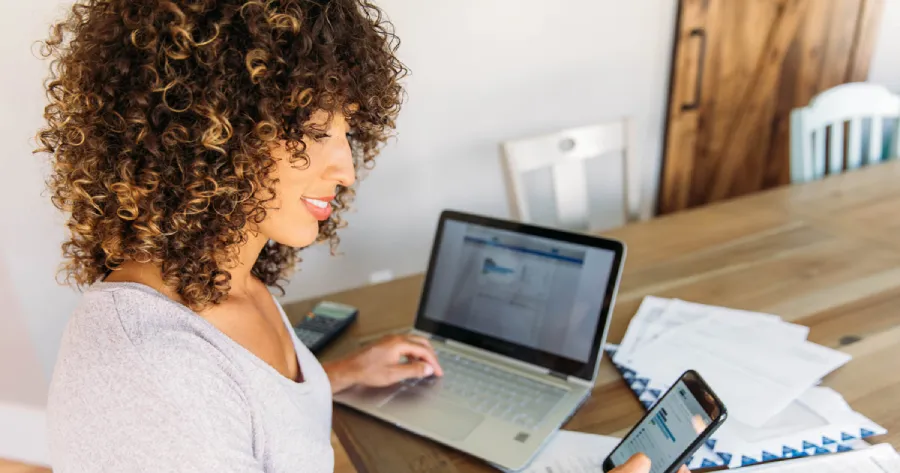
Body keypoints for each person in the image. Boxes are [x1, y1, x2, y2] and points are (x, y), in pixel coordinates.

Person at [36, 0, 664, 472]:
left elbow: (245, 417)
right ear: (204, 132)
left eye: (346, 131)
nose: (345, 168)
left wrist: (339, 374)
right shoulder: (152, 376)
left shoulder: (224, 281)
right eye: (311, 132)